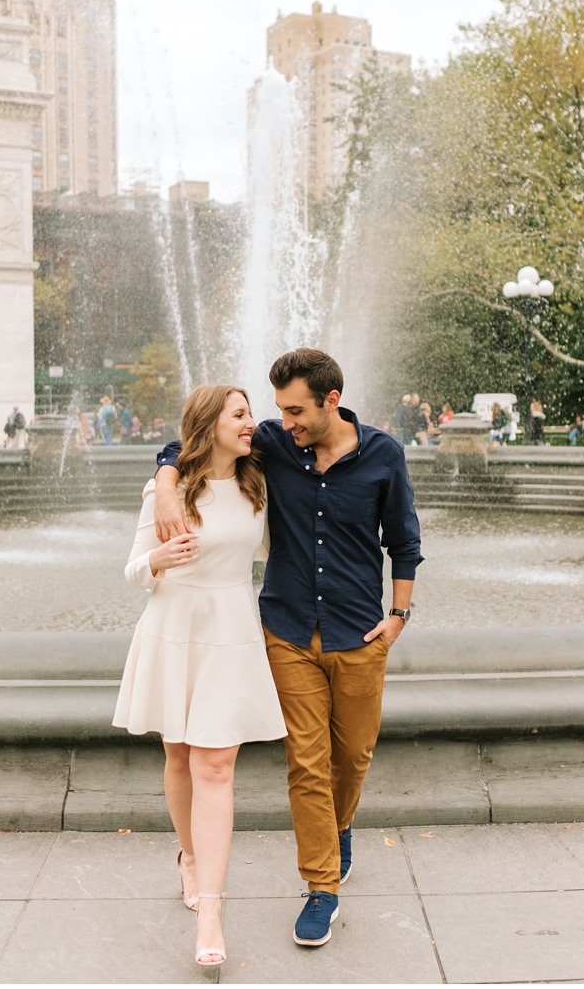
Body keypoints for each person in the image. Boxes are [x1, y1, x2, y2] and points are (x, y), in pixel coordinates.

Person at [152, 348, 421, 949]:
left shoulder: (383, 455)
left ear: (332, 400)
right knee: (306, 762)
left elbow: (404, 541)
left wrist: (398, 616)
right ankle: (321, 888)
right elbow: (190, 442)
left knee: (351, 758)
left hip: (359, 631)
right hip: (287, 630)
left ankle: (340, 826)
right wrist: (167, 487)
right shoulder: (275, 444)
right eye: (279, 411)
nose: (284, 421)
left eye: (295, 410)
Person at [113, 384, 286, 968]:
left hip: (231, 626)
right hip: (172, 626)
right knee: (181, 755)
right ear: (210, 422)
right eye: (239, 415)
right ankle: (188, 856)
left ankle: (211, 907)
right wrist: (154, 561)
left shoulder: (258, 484)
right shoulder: (166, 490)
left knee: (216, 763)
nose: (251, 423)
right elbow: (134, 569)